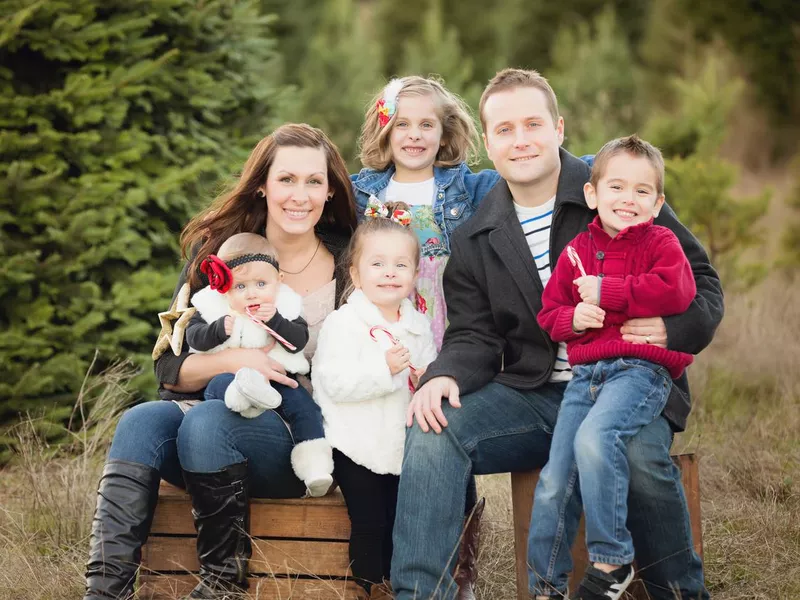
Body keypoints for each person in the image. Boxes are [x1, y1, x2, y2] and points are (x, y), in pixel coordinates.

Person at [390, 69, 723, 600]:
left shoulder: (614, 185)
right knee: (433, 426)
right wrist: (443, 374)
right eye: (504, 129)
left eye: (532, 124)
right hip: (535, 394)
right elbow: (475, 333)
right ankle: (421, 595)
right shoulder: (479, 231)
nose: (520, 140)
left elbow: (700, 279)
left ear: (559, 127)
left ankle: (678, 591)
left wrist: (672, 328)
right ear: (488, 142)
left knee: (636, 455)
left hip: (629, 380)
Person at [83, 123, 357, 600]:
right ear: (262, 186)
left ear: (330, 190)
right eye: (286, 179)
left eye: (314, 181)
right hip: (208, 422)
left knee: (208, 422)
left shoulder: (351, 264)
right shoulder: (217, 257)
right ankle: (105, 592)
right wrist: (241, 356)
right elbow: (170, 369)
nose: (300, 195)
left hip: (299, 438)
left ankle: (223, 586)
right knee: (141, 421)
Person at [529, 135, 697, 600]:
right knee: (553, 480)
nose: (628, 199)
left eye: (642, 191)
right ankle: (545, 587)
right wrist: (572, 317)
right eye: (617, 188)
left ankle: (611, 560)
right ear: (592, 194)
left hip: (640, 372)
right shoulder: (576, 253)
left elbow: (677, 291)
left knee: (596, 438)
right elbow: (549, 314)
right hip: (586, 377)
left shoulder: (662, 242)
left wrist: (609, 293)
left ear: (658, 203)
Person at [352, 76, 500, 597]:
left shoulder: (471, 188)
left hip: (446, 332)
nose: (414, 136)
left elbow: (536, 178)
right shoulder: (360, 191)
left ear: (445, 132)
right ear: (384, 129)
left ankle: (459, 570)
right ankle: (391, 562)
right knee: (388, 434)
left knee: (441, 434)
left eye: (427, 124)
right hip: (384, 331)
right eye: (403, 124)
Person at [311, 202, 438, 597]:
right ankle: (369, 586)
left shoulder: (418, 327)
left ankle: (401, 586)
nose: (389, 273)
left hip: (402, 446)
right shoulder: (344, 324)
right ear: (355, 272)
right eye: (378, 264)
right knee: (370, 524)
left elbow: (427, 377)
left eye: (401, 265)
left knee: (402, 521)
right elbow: (330, 382)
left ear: (415, 275)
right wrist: (384, 371)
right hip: (355, 444)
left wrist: (423, 380)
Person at [186, 232, 333, 497]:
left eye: (262, 284)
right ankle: (247, 396)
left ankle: (315, 467)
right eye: (240, 287)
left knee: (305, 408)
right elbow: (192, 336)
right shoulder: (213, 307)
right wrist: (218, 330)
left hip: (279, 380)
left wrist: (275, 320)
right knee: (218, 386)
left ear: (279, 281)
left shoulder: (284, 305)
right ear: (224, 288)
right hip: (230, 379)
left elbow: (298, 341)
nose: (252, 293)